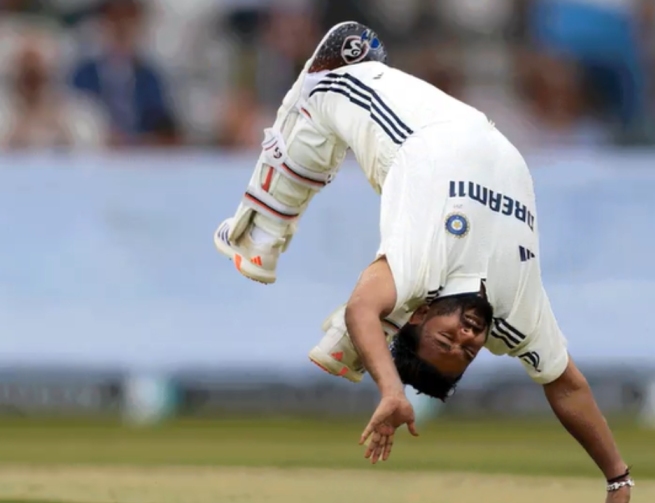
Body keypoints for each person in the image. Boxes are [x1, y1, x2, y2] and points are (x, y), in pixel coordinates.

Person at [213, 22, 633, 502]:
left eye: (447, 339)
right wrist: (617, 477)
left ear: (422, 315)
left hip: (417, 132)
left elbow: (362, 308)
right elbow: (567, 386)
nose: (468, 337)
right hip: (483, 134)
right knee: (377, 309)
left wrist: (392, 391)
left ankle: (258, 234)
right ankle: (359, 340)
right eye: (469, 350)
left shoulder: (422, 270)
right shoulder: (516, 317)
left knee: (318, 92)